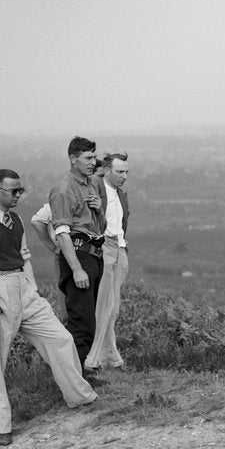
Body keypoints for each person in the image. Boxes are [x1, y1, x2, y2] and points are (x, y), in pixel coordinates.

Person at [0, 169, 97, 446]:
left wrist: (31, 288)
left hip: (22, 288)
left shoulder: (16, 220)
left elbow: (24, 256)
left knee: (60, 338)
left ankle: (80, 397)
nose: (19, 195)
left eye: (21, 190)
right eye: (13, 191)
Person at [49, 136, 106, 381]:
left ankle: (78, 372)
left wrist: (98, 209)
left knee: (88, 321)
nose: (93, 162)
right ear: (73, 159)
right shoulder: (64, 190)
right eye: (88, 158)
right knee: (81, 323)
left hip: (94, 254)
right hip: (79, 255)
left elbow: (100, 225)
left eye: (94, 157)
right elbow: (62, 233)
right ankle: (72, 378)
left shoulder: (89, 185)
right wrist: (77, 269)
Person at [85, 152, 130, 373]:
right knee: (104, 306)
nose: (124, 176)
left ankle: (110, 357)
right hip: (106, 247)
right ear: (108, 171)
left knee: (113, 309)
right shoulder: (96, 189)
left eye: (126, 172)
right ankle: (94, 359)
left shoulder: (120, 194)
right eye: (120, 171)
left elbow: (122, 222)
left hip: (119, 248)